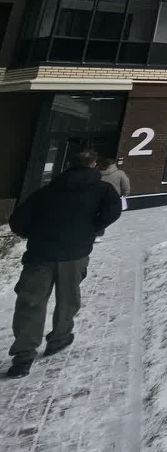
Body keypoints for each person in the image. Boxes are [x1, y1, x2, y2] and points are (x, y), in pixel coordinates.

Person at [6, 149, 121, 379]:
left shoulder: (47, 190)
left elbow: (18, 221)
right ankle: (59, 338)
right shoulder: (102, 189)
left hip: (41, 253)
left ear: (69, 164)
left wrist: (34, 234)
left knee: (30, 303)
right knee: (68, 298)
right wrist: (92, 228)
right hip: (75, 253)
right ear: (94, 164)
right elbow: (113, 212)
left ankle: (23, 356)